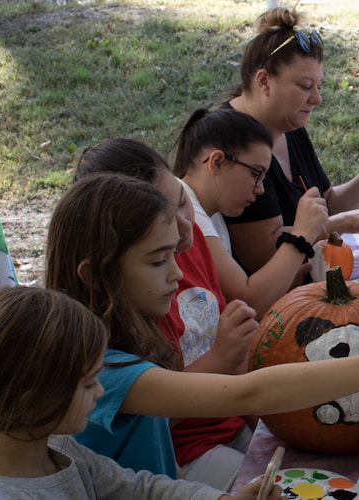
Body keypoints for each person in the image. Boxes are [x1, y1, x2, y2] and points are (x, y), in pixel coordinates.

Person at [44, 173, 359, 478]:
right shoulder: (109, 373)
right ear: (95, 274)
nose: (177, 275)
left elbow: (157, 467)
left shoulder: (127, 342)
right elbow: (254, 391)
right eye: (159, 261)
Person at [0, 286, 280, 500]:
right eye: (87, 384)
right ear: (31, 398)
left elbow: (143, 489)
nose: (99, 390)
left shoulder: (62, 451)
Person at [76, 138, 256, 491]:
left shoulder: (157, 278)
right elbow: (248, 393)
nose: (184, 227)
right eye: (160, 258)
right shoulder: (110, 364)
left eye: (182, 202)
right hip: (196, 444)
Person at [222, 7, 359, 274]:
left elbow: (326, 202)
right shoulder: (233, 140)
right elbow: (260, 252)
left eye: (318, 86)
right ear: (264, 81)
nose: (317, 98)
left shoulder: (289, 126)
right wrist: (344, 223)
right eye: (306, 86)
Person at [172, 107, 329, 317]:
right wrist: (301, 236)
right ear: (217, 163)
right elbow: (248, 301)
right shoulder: (189, 215)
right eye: (256, 174)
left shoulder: (212, 214)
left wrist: (281, 282)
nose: (260, 188)